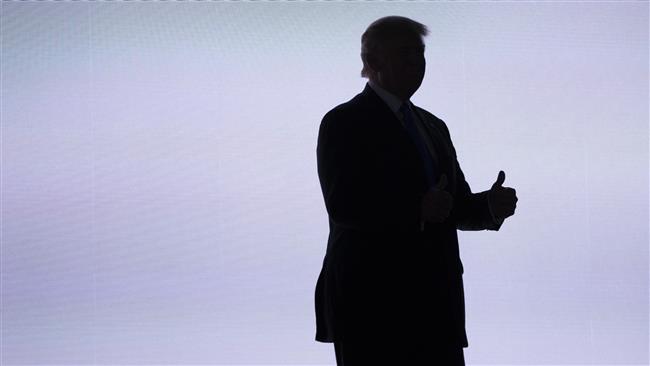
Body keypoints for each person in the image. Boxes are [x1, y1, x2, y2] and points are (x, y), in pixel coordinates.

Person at [314, 16, 518, 365]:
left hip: (437, 305)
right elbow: (344, 206)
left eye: (421, 55)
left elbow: (452, 206)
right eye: (407, 55)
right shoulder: (343, 122)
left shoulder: (433, 126)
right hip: (371, 307)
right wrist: (417, 209)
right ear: (372, 62)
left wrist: (489, 206)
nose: (418, 65)